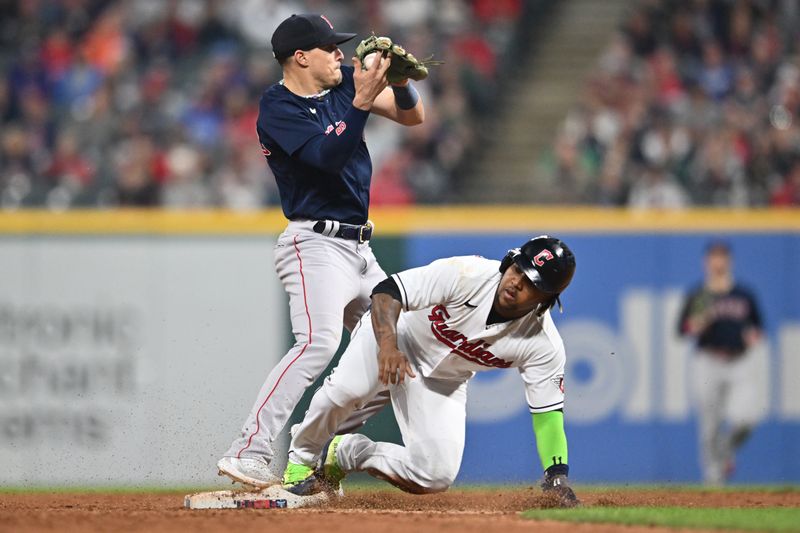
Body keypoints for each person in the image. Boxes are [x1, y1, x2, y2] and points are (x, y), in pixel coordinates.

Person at [217, 13, 426, 487]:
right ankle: (247, 450)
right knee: (319, 342)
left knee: (403, 339)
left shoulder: (346, 83)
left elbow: (413, 116)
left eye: (340, 47)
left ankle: (320, 451)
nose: (339, 54)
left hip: (360, 246)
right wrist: (362, 100)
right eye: (330, 47)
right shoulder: (277, 107)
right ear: (301, 56)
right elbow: (326, 159)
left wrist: (402, 83)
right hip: (313, 243)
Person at [281, 236, 580, 507]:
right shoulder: (469, 273)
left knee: (435, 475)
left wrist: (557, 476)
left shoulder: (544, 345)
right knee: (347, 390)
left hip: (444, 380)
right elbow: (388, 291)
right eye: (517, 269)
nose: (515, 282)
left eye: (530, 282)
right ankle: (301, 461)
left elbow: (548, 418)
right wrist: (388, 347)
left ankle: (347, 453)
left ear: (545, 299)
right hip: (397, 333)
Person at [677, 240, 764, 485]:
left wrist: (754, 335)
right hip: (708, 360)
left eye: (722, 256)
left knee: (746, 419)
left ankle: (725, 450)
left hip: (740, 361)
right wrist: (694, 325)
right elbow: (682, 329)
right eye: (714, 257)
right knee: (710, 425)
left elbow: (758, 326)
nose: (718, 262)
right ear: (707, 262)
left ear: (729, 261)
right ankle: (713, 479)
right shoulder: (700, 294)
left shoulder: (743, 294)